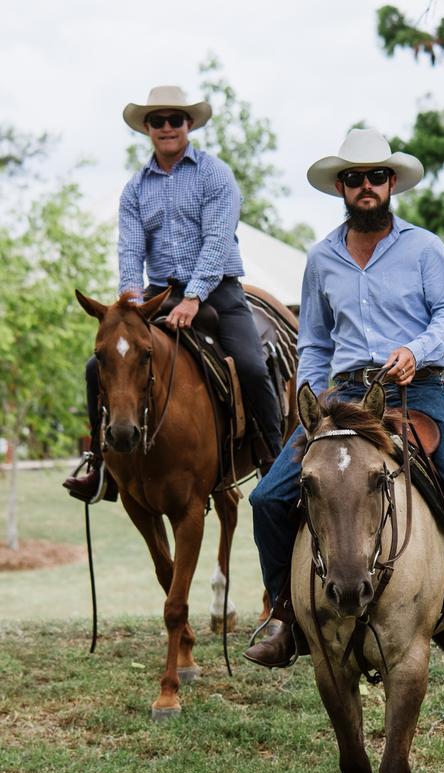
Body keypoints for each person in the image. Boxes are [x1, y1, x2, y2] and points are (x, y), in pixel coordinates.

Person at [244, 127, 444, 675]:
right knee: (267, 500)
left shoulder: (424, 247)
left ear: (391, 182)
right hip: (343, 397)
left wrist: (417, 350)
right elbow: (315, 341)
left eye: (375, 176)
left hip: (417, 390)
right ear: (341, 187)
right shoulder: (321, 257)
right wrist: (314, 399)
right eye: (353, 178)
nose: (365, 186)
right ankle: (283, 616)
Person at [64, 85, 282, 503]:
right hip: (158, 293)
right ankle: (100, 465)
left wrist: (194, 296)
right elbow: (130, 248)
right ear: (147, 128)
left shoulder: (215, 174)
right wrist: (128, 300)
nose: (167, 127)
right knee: (99, 365)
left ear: (189, 125)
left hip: (217, 289)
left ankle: (274, 460)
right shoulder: (135, 189)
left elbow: (218, 240)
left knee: (253, 366)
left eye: (175, 120)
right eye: (157, 121)